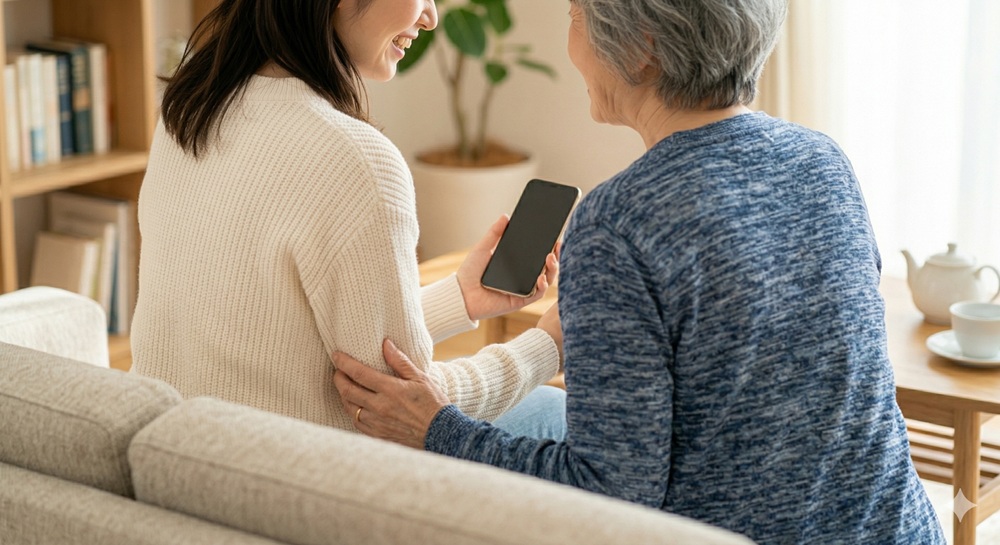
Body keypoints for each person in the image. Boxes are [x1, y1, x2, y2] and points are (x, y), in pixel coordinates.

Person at [331, 0, 947, 542]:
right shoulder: (823, 160)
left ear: (643, 47)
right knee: (537, 412)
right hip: (899, 527)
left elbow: (610, 494)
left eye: (575, 15)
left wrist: (437, 431)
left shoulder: (619, 222)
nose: (570, 40)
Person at [130, 0, 566, 438]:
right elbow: (401, 411)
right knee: (554, 411)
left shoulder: (187, 112)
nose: (431, 17)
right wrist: (545, 347)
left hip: (175, 459)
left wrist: (459, 298)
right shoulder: (355, 159)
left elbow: (278, 341)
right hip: (292, 485)